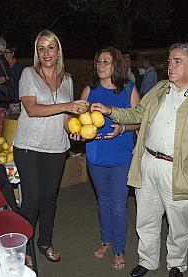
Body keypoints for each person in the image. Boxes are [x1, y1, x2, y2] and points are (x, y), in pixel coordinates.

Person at [92, 43, 188, 277]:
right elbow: (137, 114)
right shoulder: (161, 88)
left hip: (181, 170)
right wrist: (109, 110)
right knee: (146, 219)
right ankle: (148, 260)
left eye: (177, 61)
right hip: (149, 163)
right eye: (170, 60)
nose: (170, 65)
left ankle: (176, 264)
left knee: (178, 224)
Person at [12, 29, 87, 264]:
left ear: (58, 51)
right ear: (37, 52)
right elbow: (32, 110)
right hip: (29, 147)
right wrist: (68, 105)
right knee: (32, 199)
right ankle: (22, 249)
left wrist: (73, 129)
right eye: (41, 48)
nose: (46, 53)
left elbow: (65, 117)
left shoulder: (67, 79)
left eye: (50, 47)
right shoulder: (28, 74)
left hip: (56, 147)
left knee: (49, 200)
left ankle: (45, 242)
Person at [77, 47, 140, 270]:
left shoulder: (128, 89)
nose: (100, 66)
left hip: (121, 156)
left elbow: (140, 121)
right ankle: (106, 240)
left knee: (119, 205)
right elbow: (78, 120)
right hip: (96, 155)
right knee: (103, 201)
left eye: (106, 62)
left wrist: (122, 128)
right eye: (98, 62)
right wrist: (74, 130)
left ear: (116, 65)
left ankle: (119, 249)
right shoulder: (89, 90)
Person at [4, 42, 25, 114]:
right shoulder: (4, 66)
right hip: (6, 99)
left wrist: (16, 101)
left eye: (7, 53)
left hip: (14, 101)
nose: (5, 55)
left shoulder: (17, 67)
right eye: (4, 53)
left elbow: (17, 85)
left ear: (12, 54)